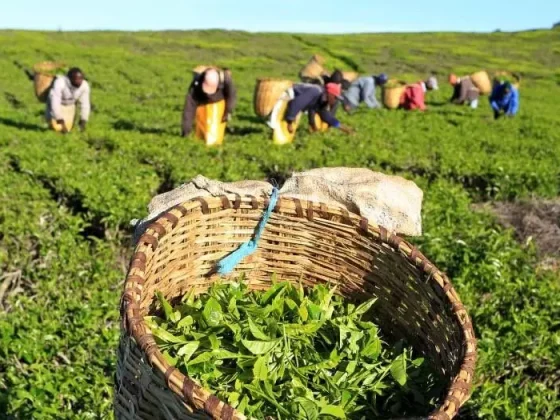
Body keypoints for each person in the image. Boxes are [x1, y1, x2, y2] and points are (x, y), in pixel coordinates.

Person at [182, 68, 236, 137]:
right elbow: (189, 108)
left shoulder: (226, 79)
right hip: (202, 105)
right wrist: (186, 131)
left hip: (219, 104)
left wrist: (227, 112)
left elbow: (231, 97)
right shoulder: (197, 84)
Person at [284, 83, 354, 135]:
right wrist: (290, 121)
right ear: (330, 94)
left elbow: (326, 116)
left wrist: (344, 129)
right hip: (289, 95)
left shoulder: (323, 100)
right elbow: (297, 102)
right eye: (335, 97)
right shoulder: (315, 91)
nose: (335, 100)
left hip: (296, 104)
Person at [46, 67, 90, 133]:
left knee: (67, 129)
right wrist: (58, 118)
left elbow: (85, 103)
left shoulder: (84, 86)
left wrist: (83, 120)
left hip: (70, 105)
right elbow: (55, 101)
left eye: (80, 78)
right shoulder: (60, 82)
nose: (79, 81)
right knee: (56, 128)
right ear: (70, 78)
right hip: (57, 105)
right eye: (76, 79)